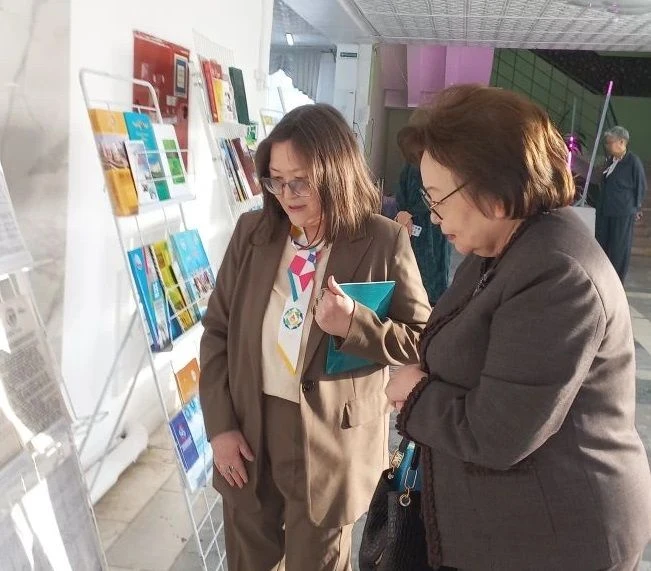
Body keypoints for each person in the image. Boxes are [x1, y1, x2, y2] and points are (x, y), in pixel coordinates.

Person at [385, 85, 651, 571]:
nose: (433, 216)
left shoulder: (557, 272)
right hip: (512, 524)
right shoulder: (499, 247)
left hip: (559, 538)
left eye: (438, 198)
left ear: (493, 191)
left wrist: (415, 392)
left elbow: (499, 432)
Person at [199, 103, 431, 571]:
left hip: (331, 440)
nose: (287, 194)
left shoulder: (382, 241)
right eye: (276, 181)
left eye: (300, 181)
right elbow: (217, 332)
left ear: (335, 171)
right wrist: (220, 426)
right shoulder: (253, 233)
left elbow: (421, 338)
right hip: (250, 426)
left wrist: (355, 325)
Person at [395, 161, 451, 305]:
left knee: (432, 268)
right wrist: (404, 213)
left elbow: (437, 195)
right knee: (413, 267)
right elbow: (402, 189)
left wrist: (408, 212)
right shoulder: (412, 164)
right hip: (413, 223)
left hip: (432, 225)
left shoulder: (439, 161)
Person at [596, 125, 647, 282]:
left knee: (619, 247)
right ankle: (603, 277)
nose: (607, 145)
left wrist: (637, 206)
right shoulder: (611, 161)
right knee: (602, 243)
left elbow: (641, 185)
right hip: (605, 209)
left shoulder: (633, 161)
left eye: (610, 142)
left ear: (622, 142)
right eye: (607, 142)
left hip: (623, 211)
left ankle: (617, 280)